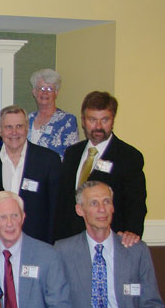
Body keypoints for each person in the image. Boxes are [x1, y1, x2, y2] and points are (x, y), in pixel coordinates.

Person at [55, 181, 163, 308]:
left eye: (107, 201)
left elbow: (152, 306)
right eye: (94, 203)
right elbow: (54, 304)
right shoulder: (62, 251)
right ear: (80, 210)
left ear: (113, 207)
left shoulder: (136, 251)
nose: (102, 209)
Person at [55, 91, 147, 242]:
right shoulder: (72, 153)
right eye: (92, 120)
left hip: (109, 241)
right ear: (83, 121)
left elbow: (136, 203)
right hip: (71, 241)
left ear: (112, 120)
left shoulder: (128, 156)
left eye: (104, 120)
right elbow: (63, 200)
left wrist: (131, 232)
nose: (98, 126)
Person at [0, 105, 60, 244]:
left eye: (19, 126)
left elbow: (56, 209)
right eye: (9, 127)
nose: (14, 132)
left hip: (37, 243)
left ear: (27, 128)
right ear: (0, 130)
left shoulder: (48, 160)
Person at [27, 68, 79, 159]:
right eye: (41, 88)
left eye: (50, 89)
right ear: (34, 92)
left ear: (56, 93)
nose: (45, 92)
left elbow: (71, 157)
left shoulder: (67, 120)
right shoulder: (26, 119)